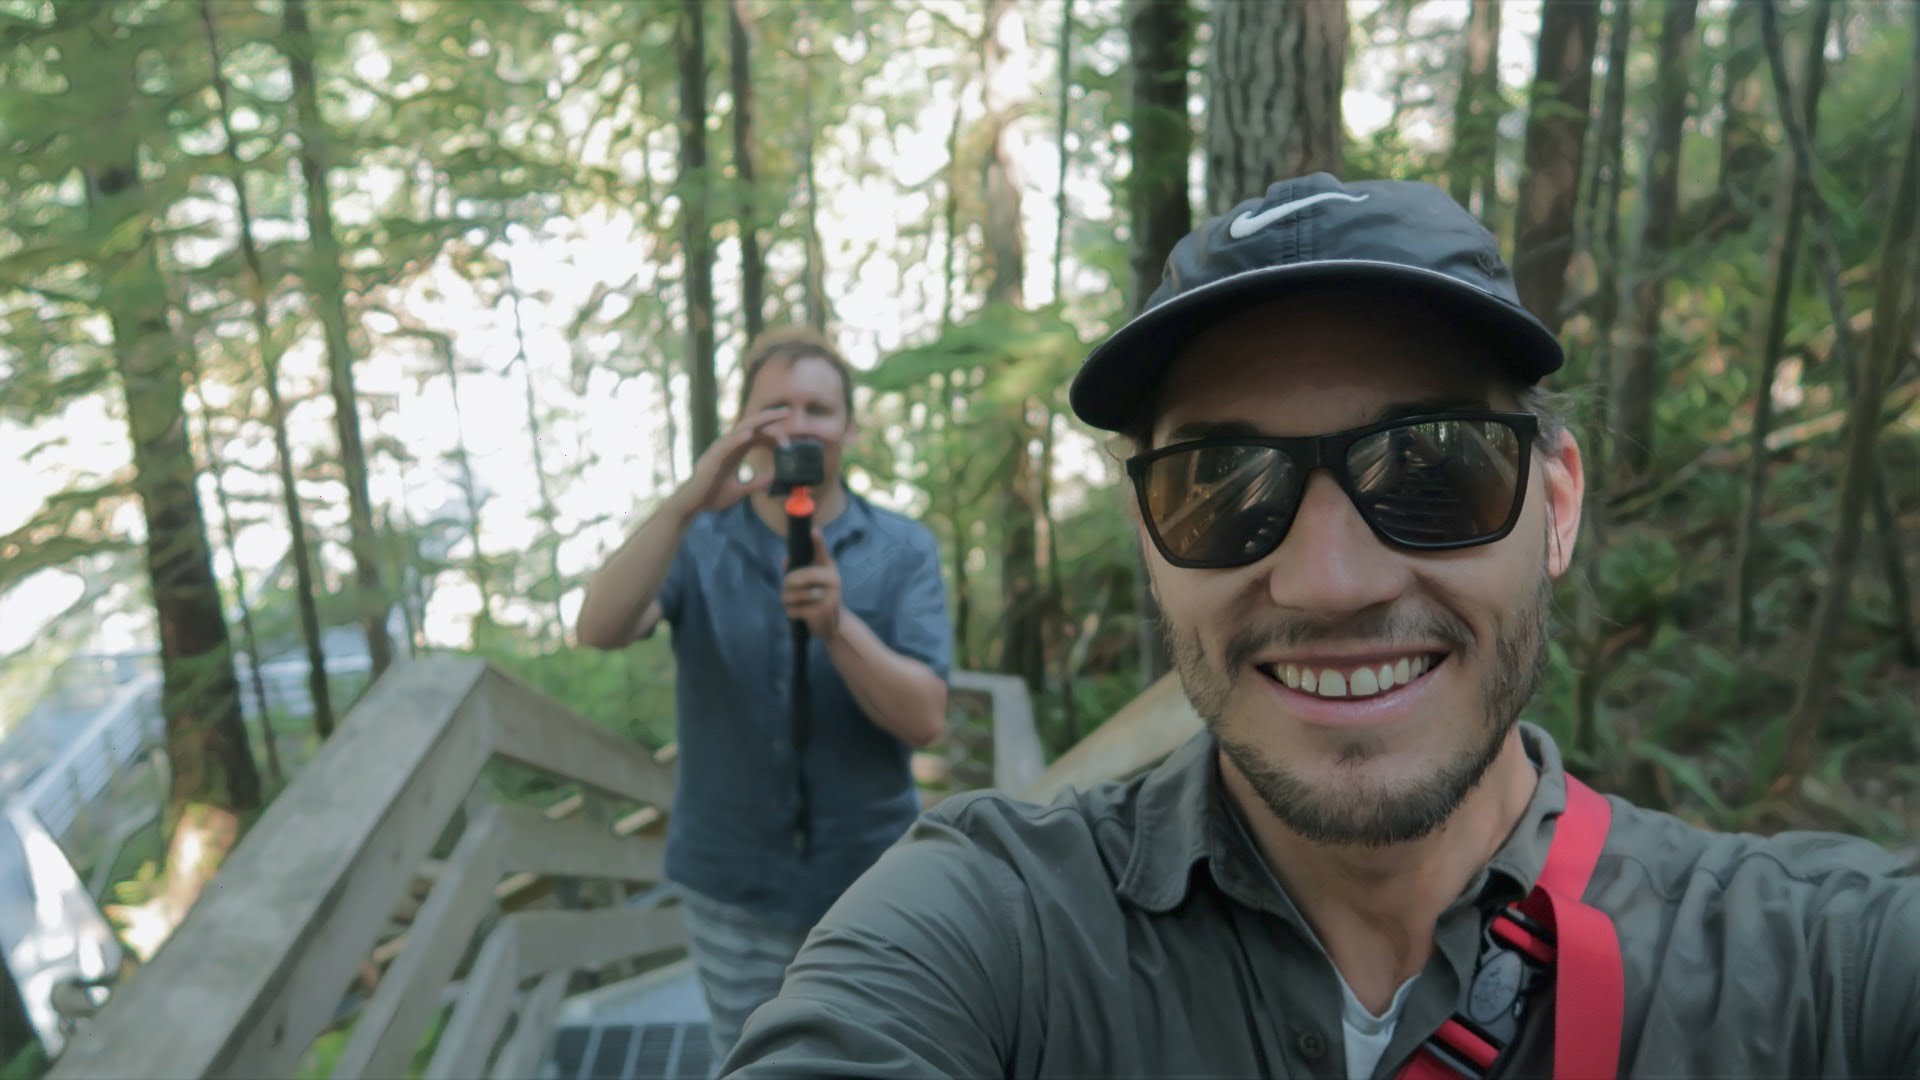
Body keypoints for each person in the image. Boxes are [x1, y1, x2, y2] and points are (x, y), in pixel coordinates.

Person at [719, 175, 1920, 1079]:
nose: (1330, 580)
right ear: (1150, 543)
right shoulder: (998, 930)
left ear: (1555, 509)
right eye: (1220, 485)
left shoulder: (1815, 970)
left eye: (1432, 468)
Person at [575, 326, 952, 1071]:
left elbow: (927, 718)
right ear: (745, 427)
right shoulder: (699, 541)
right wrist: (685, 504)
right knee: (751, 1061)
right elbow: (598, 627)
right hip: (730, 884)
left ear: (849, 428)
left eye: (819, 408)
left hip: (872, 880)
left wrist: (839, 627)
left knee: (878, 1059)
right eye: (777, 408)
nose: (799, 425)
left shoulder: (903, 549)